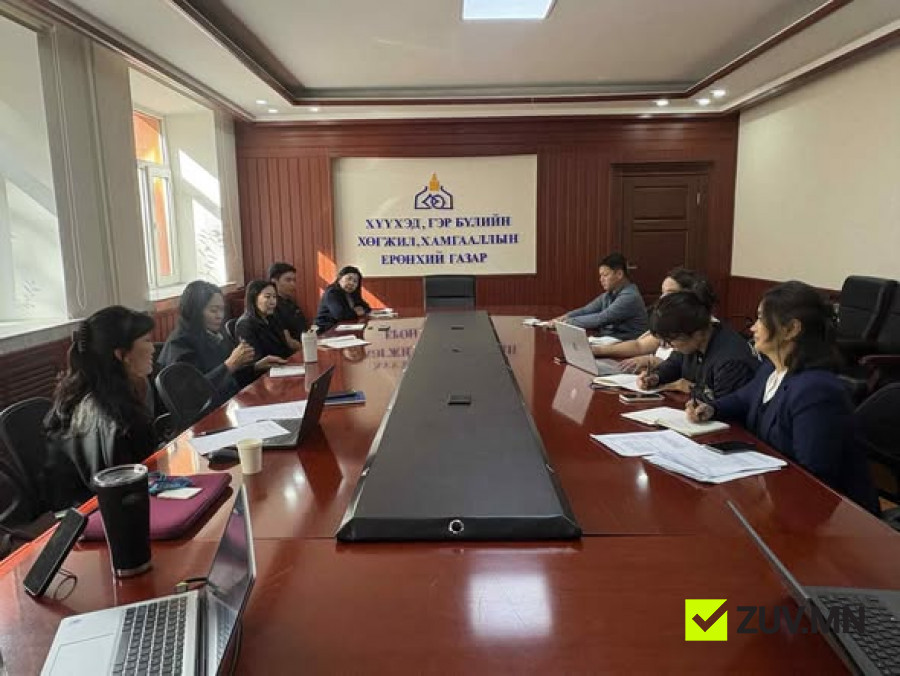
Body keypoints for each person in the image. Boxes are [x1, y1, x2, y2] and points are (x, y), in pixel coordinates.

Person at [686, 281, 878, 513]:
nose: (753, 328)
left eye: (760, 319)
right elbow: (742, 399)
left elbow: (814, 476)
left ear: (791, 329)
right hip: (776, 494)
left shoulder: (816, 390)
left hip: (832, 517)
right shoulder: (771, 369)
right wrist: (712, 409)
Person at [43, 306, 159, 509]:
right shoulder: (119, 416)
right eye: (147, 341)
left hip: (82, 510)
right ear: (121, 354)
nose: (153, 349)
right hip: (102, 514)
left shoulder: (79, 393)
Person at [159, 281, 287, 401]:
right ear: (195, 312)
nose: (220, 316)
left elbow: (231, 377)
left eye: (221, 310)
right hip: (207, 413)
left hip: (231, 402)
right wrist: (230, 364)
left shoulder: (213, 335)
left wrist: (255, 367)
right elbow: (194, 394)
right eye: (213, 310)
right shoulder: (179, 344)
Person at [638, 291, 759, 400]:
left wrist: (693, 389)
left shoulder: (730, 360)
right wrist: (657, 377)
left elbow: (725, 404)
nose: (669, 345)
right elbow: (675, 363)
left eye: (671, 340)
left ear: (697, 334)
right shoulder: (692, 341)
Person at [592, 267, 716, 372]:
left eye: (670, 293)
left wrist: (654, 362)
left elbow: (692, 371)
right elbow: (639, 345)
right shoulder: (669, 321)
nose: (662, 298)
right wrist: (597, 350)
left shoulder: (700, 328)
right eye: (662, 293)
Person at [553, 252, 647, 340]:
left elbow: (601, 318)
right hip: (610, 340)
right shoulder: (610, 293)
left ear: (619, 274)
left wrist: (566, 323)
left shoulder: (630, 296)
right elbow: (586, 310)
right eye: (600, 276)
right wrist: (564, 317)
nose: (601, 279)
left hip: (627, 344)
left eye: (605, 275)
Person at [236, 280, 301, 360]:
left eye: (274, 297)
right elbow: (254, 359)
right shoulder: (245, 324)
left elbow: (285, 347)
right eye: (267, 297)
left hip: (284, 363)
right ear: (254, 298)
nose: (273, 302)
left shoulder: (273, 318)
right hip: (268, 366)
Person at [316, 265, 371, 332]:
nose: (351, 283)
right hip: (326, 329)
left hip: (343, 327)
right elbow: (340, 315)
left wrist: (357, 311)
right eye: (349, 279)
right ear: (340, 279)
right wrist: (355, 312)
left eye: (355, 281)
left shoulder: (352, 293)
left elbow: (367, 308)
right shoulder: (332, 292)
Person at [268, 262, 308, 340]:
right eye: (288, 280)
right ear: (274, 281)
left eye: (294, 280)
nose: (293, 284)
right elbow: (287, 340)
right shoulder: (272, 306)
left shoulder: (291, 303)